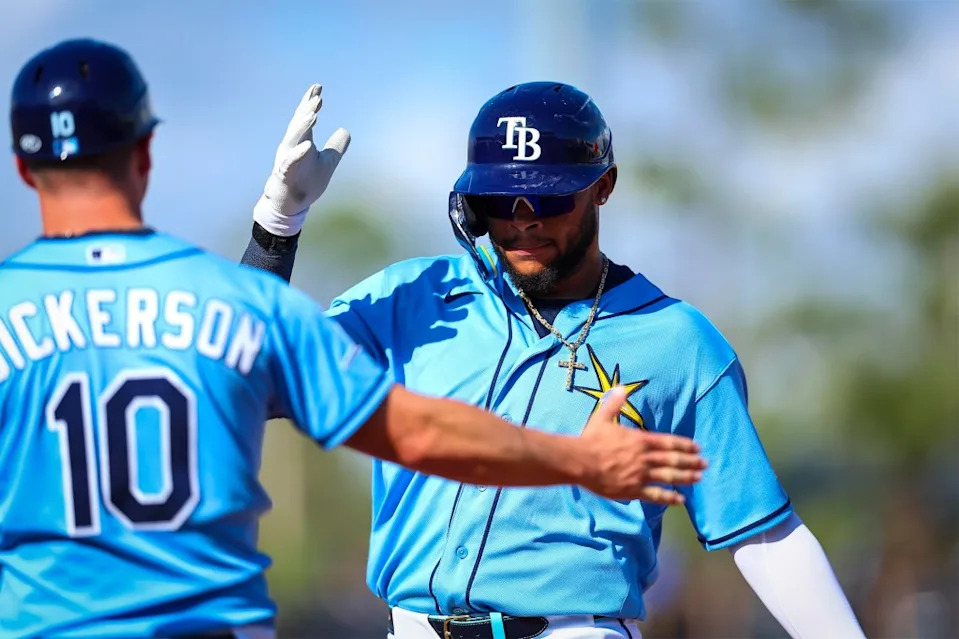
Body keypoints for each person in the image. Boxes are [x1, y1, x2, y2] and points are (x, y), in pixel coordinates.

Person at [0, 41, 707, 639]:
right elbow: (415, 432)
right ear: (146, 151)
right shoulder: (220, 299)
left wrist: (277, 226)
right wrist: (575, 457)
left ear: (24, 167)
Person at [242, 81, 869, 638]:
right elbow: (249, 381)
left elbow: (763, 538)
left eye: (545, 200)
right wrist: (279, 223)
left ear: (603, 186)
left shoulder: (678, 340)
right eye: (502, 201)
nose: (522, 223)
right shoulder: (413, 297)